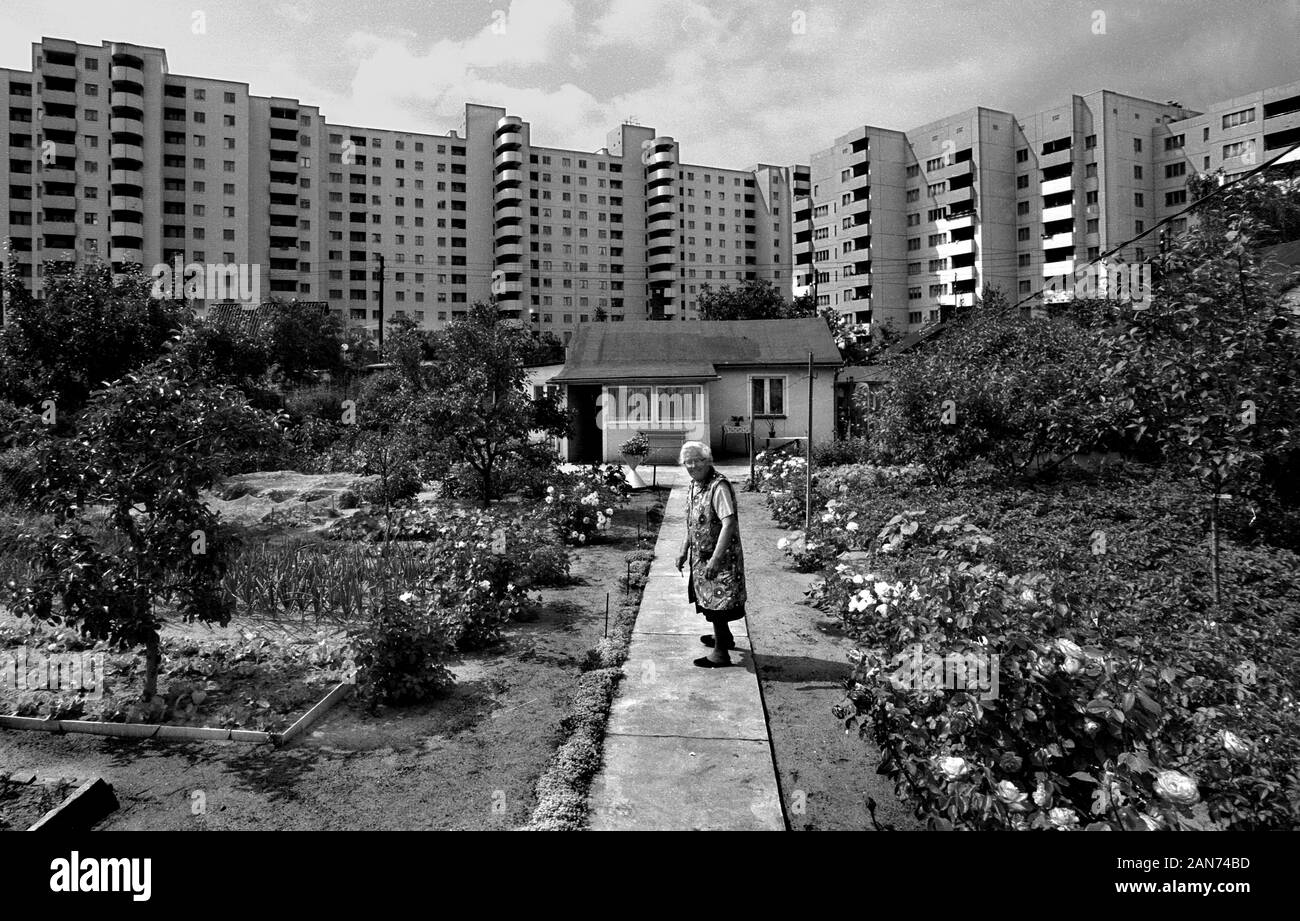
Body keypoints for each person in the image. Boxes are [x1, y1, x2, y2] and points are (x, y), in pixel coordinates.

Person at [674, 441, 747, 668]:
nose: (693, 465)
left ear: (709, 461)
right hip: (701, 556)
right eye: (688, 461)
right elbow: (692, 522)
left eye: (698, 460)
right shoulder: (695, 485)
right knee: (710, 600)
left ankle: (721, 654)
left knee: (719, 602)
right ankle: (724, 637)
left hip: (721, 558)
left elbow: (729, 524)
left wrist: (715, 559)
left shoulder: (718, 486)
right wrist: (683, 549)